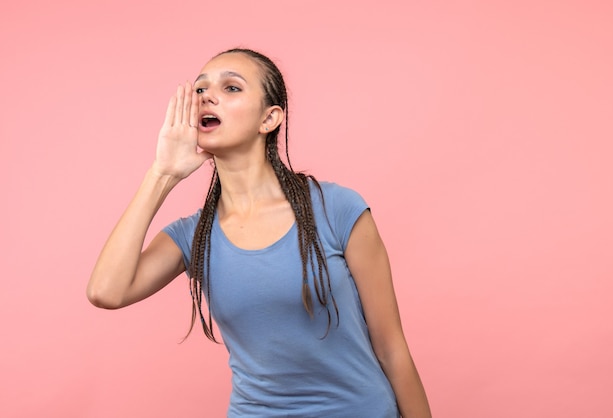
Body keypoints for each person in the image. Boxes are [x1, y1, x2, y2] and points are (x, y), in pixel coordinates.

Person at [87, 48, 431, 418]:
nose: (207, 96)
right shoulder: (194, 235)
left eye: (231, 87)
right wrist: (162, 173)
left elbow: (392, 349)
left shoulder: (337, 209)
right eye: (200, 90)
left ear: (269, 118)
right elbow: (106, 291)